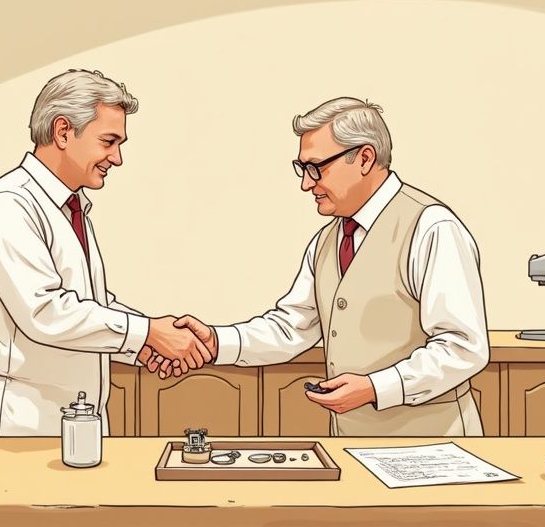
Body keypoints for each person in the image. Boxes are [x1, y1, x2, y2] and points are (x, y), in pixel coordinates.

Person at [155, 97, 490, 436]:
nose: (306, 183)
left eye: (317, 167)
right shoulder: (327, 241)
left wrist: (376, 388)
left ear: (364, 158)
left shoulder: (432, 227)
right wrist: (215, 342)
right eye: (302, 169)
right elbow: (292, 326)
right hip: (349, 445)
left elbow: (463, 346)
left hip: (434, 448)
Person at [0, 69, 211, 436]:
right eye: (108, 141)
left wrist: (142, 345)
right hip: (24, 425)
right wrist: (146, 334)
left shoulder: (69, 206)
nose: (117, 158)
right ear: (63, 131)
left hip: (80, 418)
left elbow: (90, 302)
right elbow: (45, 313)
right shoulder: (9, 205)